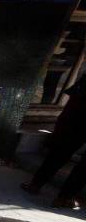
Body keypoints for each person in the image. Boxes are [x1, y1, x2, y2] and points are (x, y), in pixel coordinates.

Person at [22, 75, 86, 210]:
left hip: (77, 113)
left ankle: (36, 184)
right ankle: (64, 198)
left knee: (61, 150)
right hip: (78, 112)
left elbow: (73, 102)